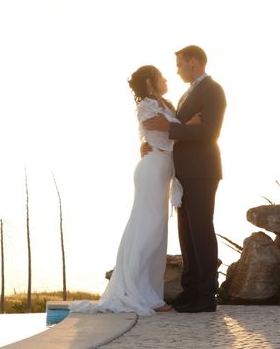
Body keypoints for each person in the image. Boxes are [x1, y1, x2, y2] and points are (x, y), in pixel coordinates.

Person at [70, 65, 199, 316]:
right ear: (151, 81)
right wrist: (190, 125)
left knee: (157, 233)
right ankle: (139, 293)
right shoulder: (146, 107)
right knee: (147, 229)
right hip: (151, 171)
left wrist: (178, 128)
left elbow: (166, 130)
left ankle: (150, 292)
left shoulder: (168, 104)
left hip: (163, 171)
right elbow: (162, 131)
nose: (166, 79)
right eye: (161, 76)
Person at [143, 45, 226, 313]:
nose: (176, 70)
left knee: (201, 229)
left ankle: (206, 295)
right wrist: (150, 144)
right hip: (183, 172)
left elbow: (209, 132)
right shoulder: (185, 95)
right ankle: (191, 289)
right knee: (187, 232)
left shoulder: (213, 90)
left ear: (193, 62)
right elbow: (176, 131)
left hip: (202, 170)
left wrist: (171, 128)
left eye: (179, 64)